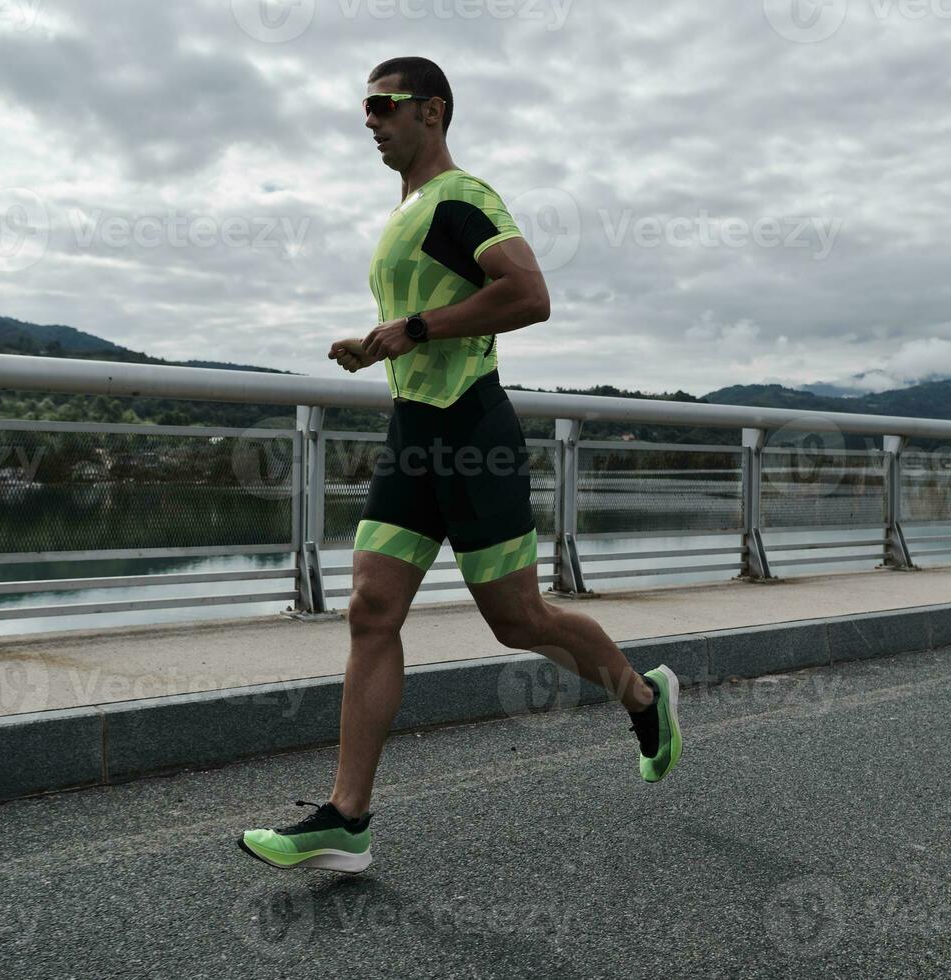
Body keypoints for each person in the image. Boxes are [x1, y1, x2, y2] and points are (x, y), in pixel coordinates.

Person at [238, 57, 682, 873]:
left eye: (383, 105)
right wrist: (381, 342)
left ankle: (643, 696)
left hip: (473, 433)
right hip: (413, 435)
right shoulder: (406, 212)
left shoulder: (461, 198)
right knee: (370, 610)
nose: (368, 120)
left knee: (518, 621)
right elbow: (424, 323)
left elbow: (529, 295)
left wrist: (410, 329)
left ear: (431, 111)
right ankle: (347, 816)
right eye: (364, 107)